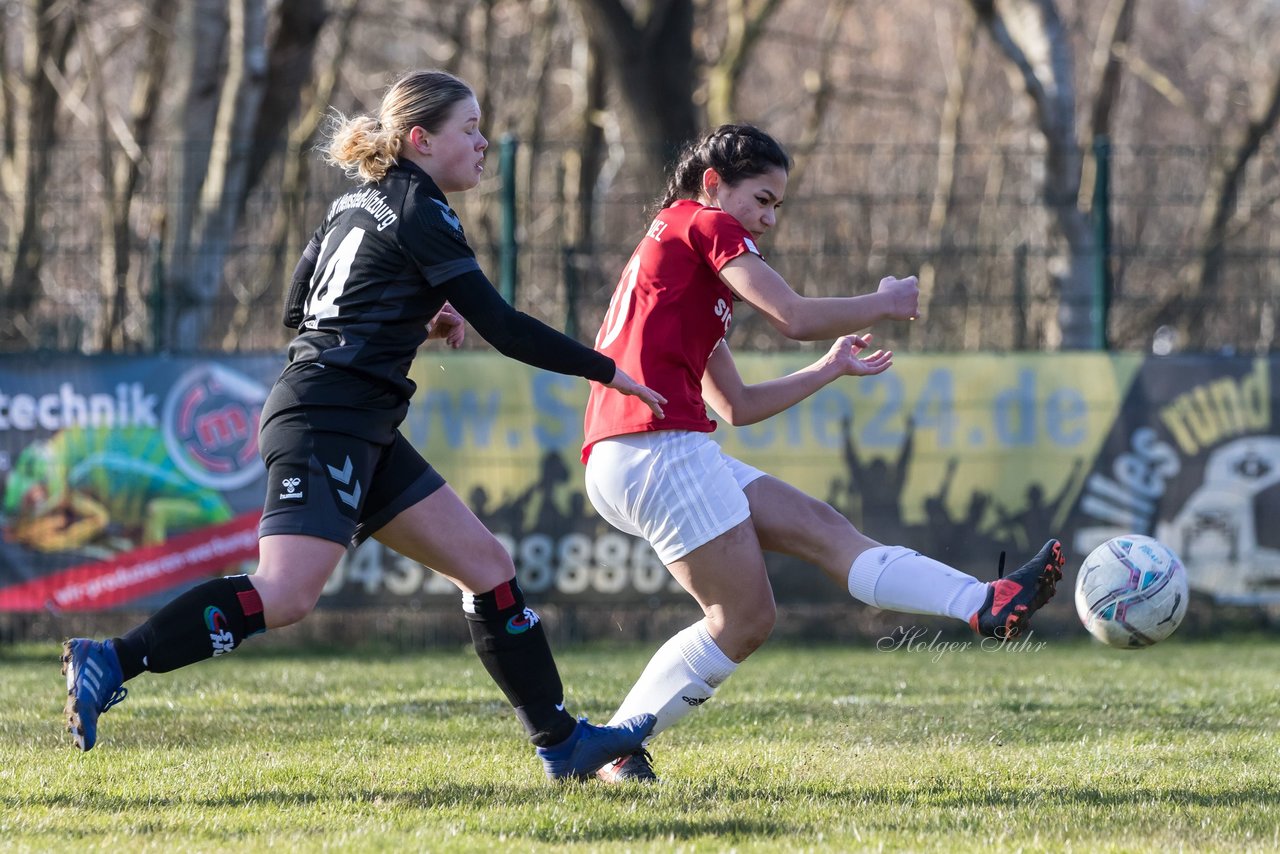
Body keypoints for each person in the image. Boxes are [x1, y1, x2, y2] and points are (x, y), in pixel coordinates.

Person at [60, 69, 662, 780]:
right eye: (468, 129)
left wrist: (419, 317)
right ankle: (113, 658)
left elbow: (300, 309)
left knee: (488, 569)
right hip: (327, 419)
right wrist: (608, 370)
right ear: (420, 139)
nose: (483, 142)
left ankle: (561, 744)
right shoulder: (421, 208)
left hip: (354, 419)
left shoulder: (355, 202)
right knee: (285, 594)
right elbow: (500, 324)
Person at [580, 124, 1064, 783]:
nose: (769, 219)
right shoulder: (702, 222)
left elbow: (738, 406)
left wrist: (826, 369)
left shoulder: (682, 259)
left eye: (778, 205)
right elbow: (795, 314)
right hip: (655, 447)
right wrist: (886, 301)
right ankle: (610, 746)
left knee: (823, 529)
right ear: (715, 185)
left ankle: (985, 600)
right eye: (762, 199)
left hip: (644, 449)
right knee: (745, 618)